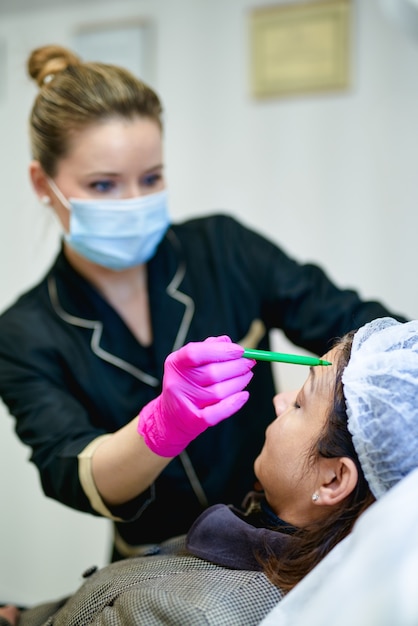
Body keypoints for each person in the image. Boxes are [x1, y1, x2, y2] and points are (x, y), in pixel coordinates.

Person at [0, 44, 408, 563]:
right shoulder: (24, 333)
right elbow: (74, 473)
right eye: (103, 184)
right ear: (44, 183)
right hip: (152, 569)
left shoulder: (225, 249)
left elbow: (361, 327)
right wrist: (161, 426)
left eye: (151, 179)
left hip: (275, 543)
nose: (133, 203)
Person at [1, 316, 418, 626]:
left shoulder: (191, 615)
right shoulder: (273, 546)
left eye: (299, 403)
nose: (277, 400)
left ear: (332, 480)